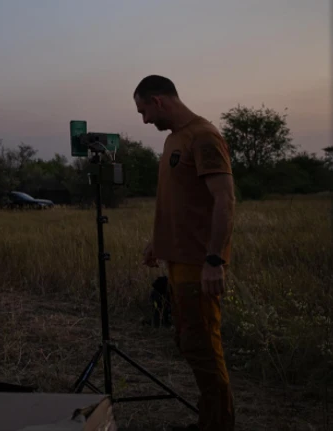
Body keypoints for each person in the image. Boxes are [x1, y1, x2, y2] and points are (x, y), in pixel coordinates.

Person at [133, 75, 236, 431]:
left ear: (158, 100)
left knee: (205, 348)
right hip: (177, 263)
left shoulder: (203, 136)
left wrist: (214, 260)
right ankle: (209, 419)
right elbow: (178, 201)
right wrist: (157, 242)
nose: (144, 120)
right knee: (190, 343)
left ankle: (219, 425)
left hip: (198, 264)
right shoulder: (172, 141)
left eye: (143, 110)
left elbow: (224, 199)